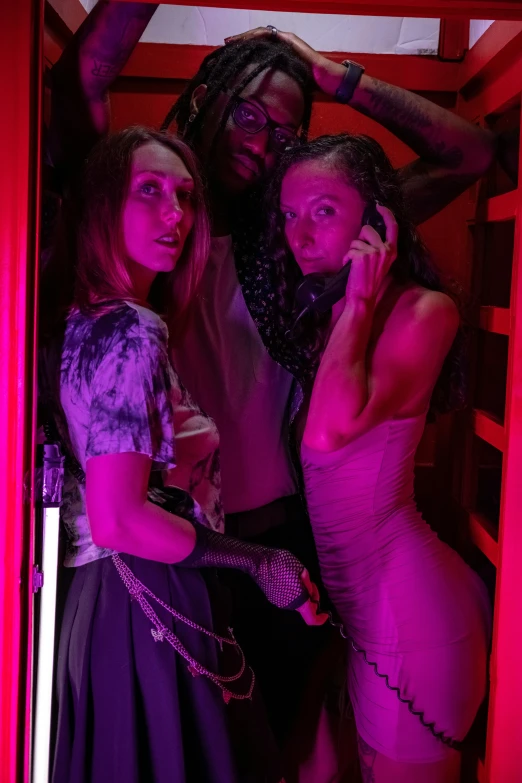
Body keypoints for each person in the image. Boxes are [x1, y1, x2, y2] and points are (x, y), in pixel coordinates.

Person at [47, 1, 496, 743]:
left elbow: (470, 156)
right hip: (169, 548)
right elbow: (77, 85)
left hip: (282, 542)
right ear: (207, 97)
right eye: (251, 115)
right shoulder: (141, 220)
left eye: (287, 133)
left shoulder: (300, 243)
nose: (264, 144)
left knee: (267, 745)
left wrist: (332, 75)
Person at [40, 126, 325, 783]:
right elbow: (121, 519)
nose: (177, 213)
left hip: (100, 603)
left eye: (186, 196)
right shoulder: (131, 330)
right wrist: (259, 561)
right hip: (142, 593)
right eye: (150, 191)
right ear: (101, 205)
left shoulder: (79, 320)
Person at [263, 132, 492, 783]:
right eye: (288, 215)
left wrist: (361, 297)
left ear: (378, 222)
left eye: (323, 211)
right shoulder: (338, 321)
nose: (299, 235)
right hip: (357, 616)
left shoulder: (424, 312)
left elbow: (328, 436)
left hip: (411, 623)